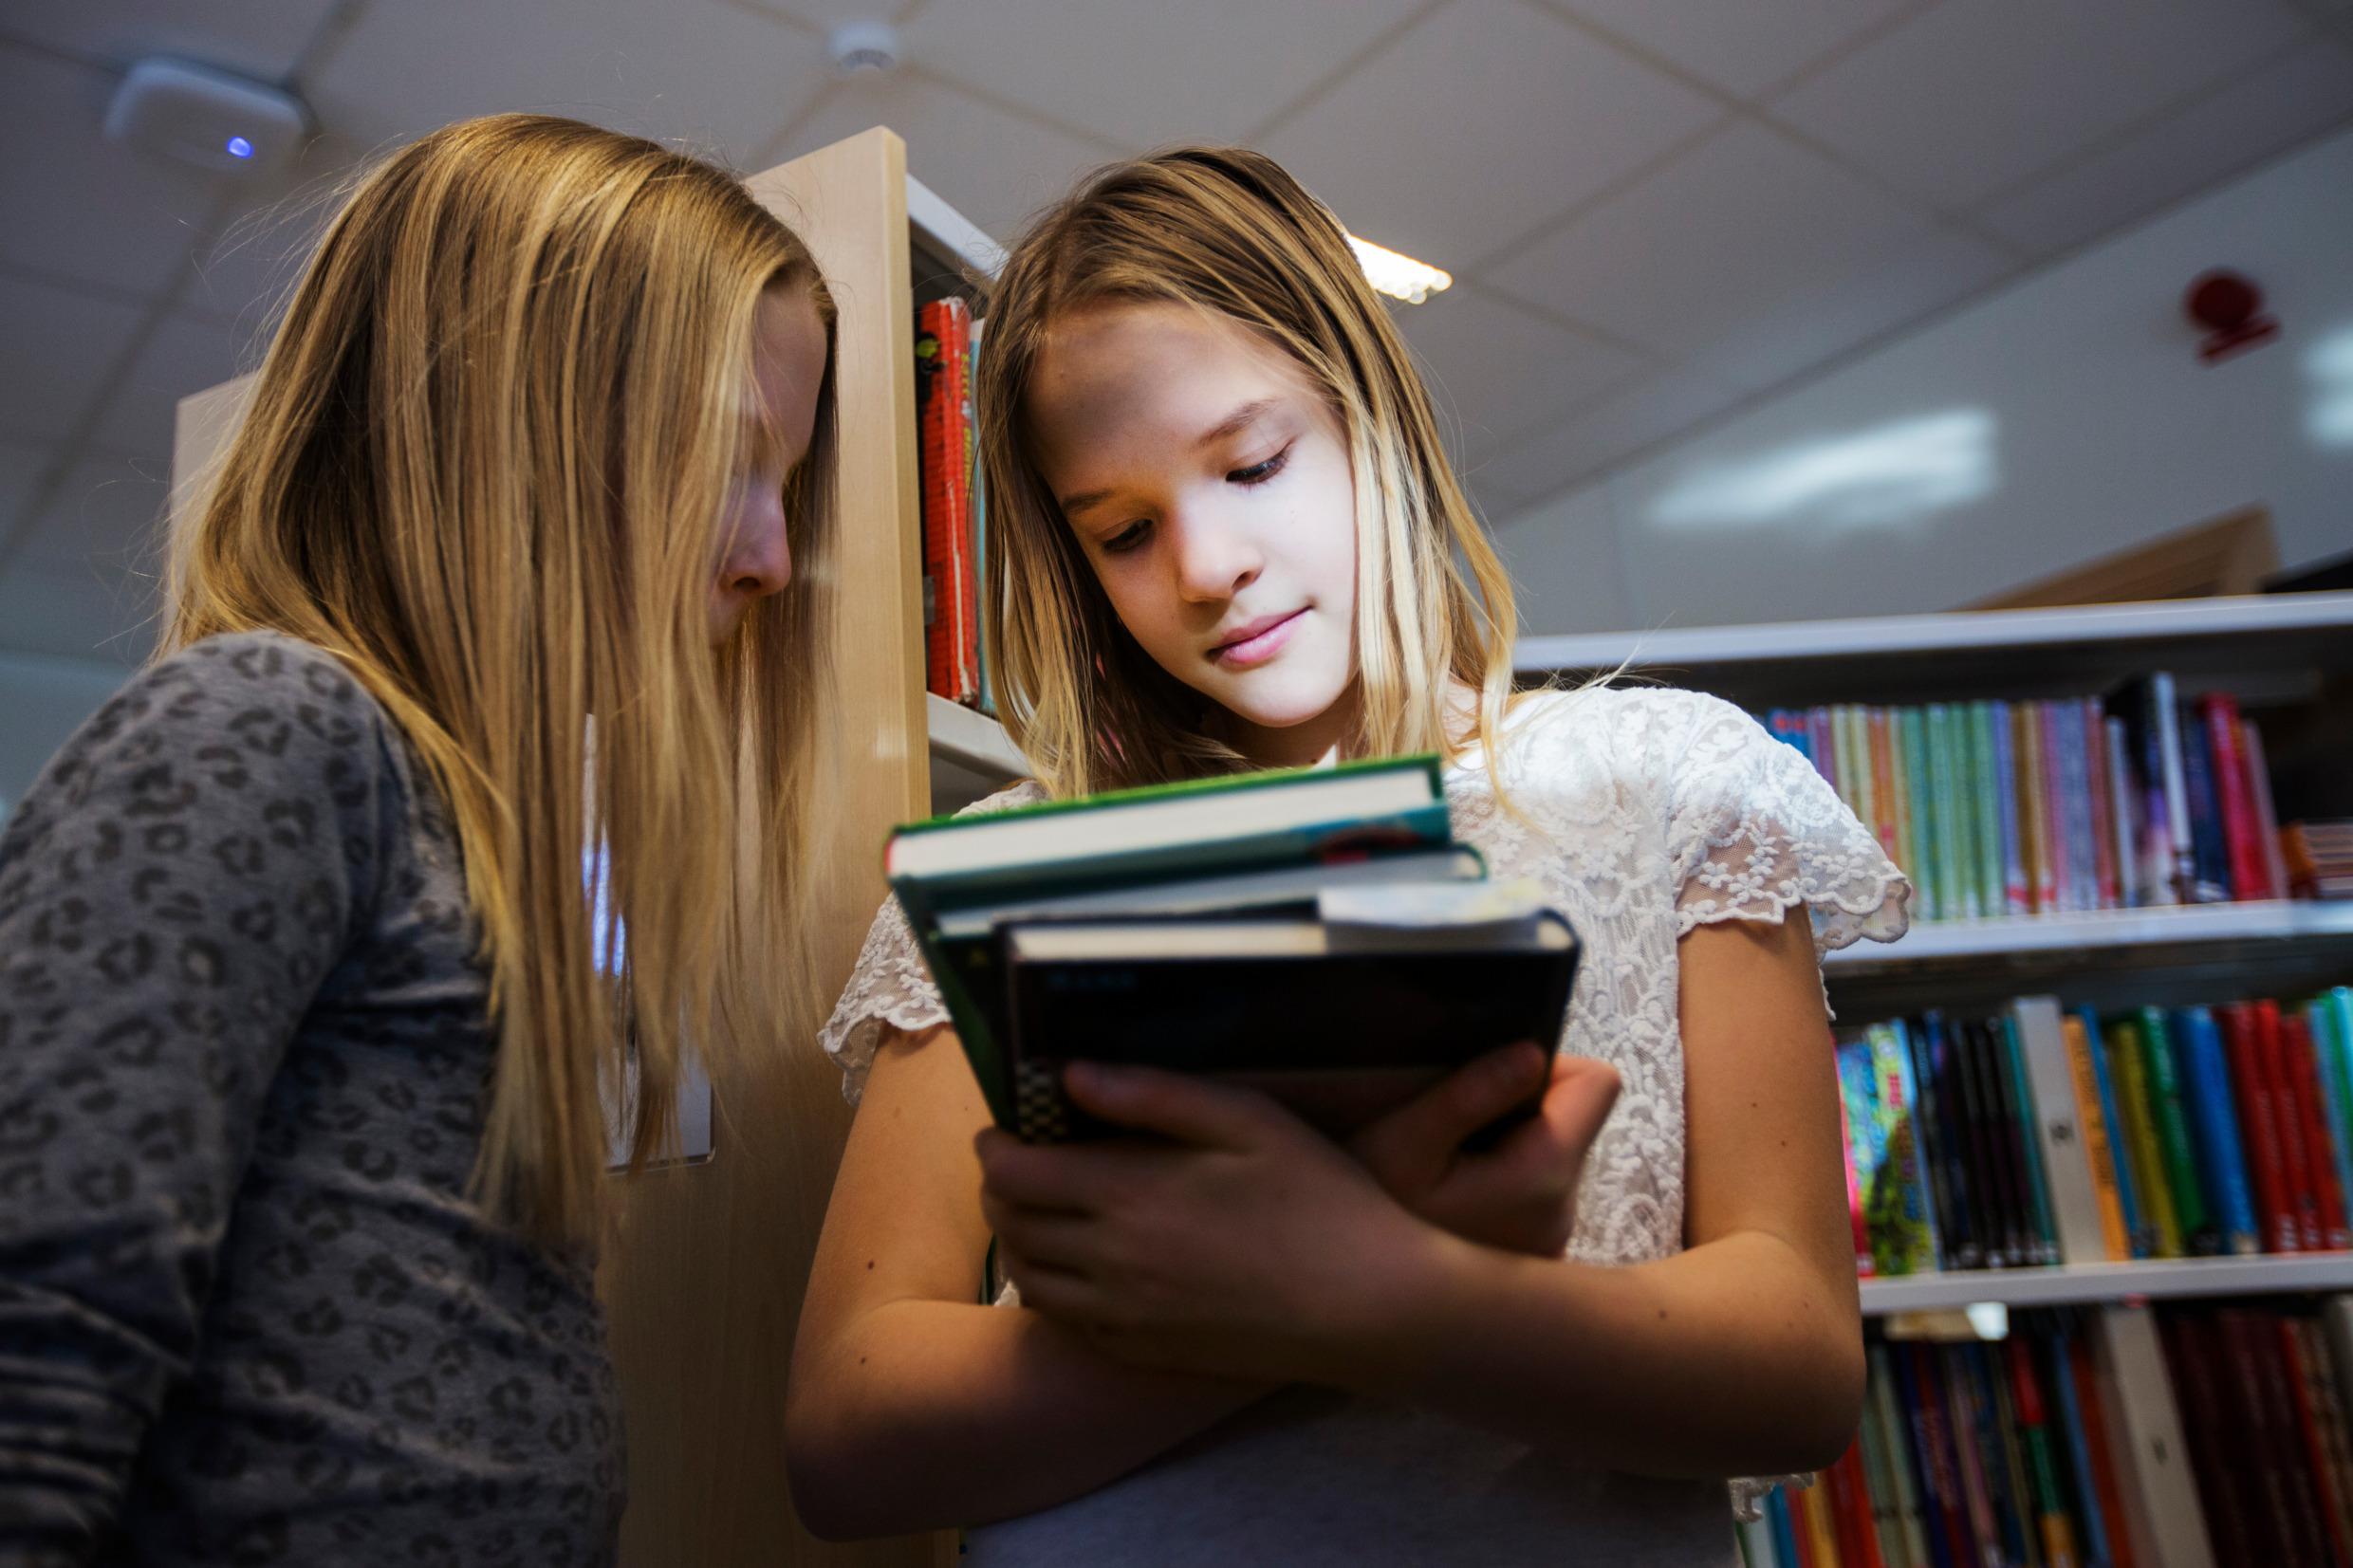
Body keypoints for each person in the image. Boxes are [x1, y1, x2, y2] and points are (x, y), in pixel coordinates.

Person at [787, 145, 1911, 1564]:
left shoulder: (1669, 779)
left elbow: (1798, 1362)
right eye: (1124, 532)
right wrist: (1339, 1284)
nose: (1203, 566)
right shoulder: (1013, 867)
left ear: (1371, 410)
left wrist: (1381, 1289)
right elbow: (843, 1433)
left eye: (1254, 463)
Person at [0, 114, 838, 1565]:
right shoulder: (270, 728)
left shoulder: (480, 851)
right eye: (727, 461)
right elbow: (31, 1360)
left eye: (790, 487)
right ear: (516, 437)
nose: (770, 555)